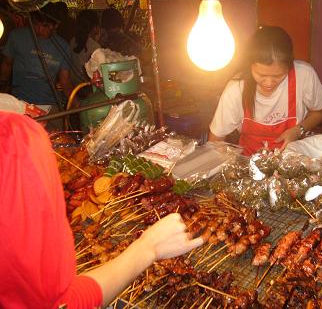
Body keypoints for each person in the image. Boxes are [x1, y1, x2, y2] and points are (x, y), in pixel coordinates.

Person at [0, 111, 203, 308]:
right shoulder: (14, 144)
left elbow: (61, 301)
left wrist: (147, 247)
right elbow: (50, 301)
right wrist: (148, 247)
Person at [209, 26, 322, 156]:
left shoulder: (304, 75)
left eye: (278, 76)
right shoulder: (237, 88)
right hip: (249, 161)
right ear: (250, 66)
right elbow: (216, 139)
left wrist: (299, 130)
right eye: (261, 75)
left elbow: (318, 112)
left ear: (290, 66)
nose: (269, 83)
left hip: (294, 160)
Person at [0, 3, 73, 129]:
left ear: (56, 25)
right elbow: (6, 65)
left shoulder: (63, 46)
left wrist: (76, 103)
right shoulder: (17, 36)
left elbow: (65, 81)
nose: (39, 29)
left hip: (50, 107)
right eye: (36, 24)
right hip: (21, 105)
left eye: (45, 26)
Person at [70, 9, 101, 85]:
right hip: (87, 86)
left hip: (74, 85)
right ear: (95, 27)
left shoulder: (73, 40)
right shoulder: (95, 46)